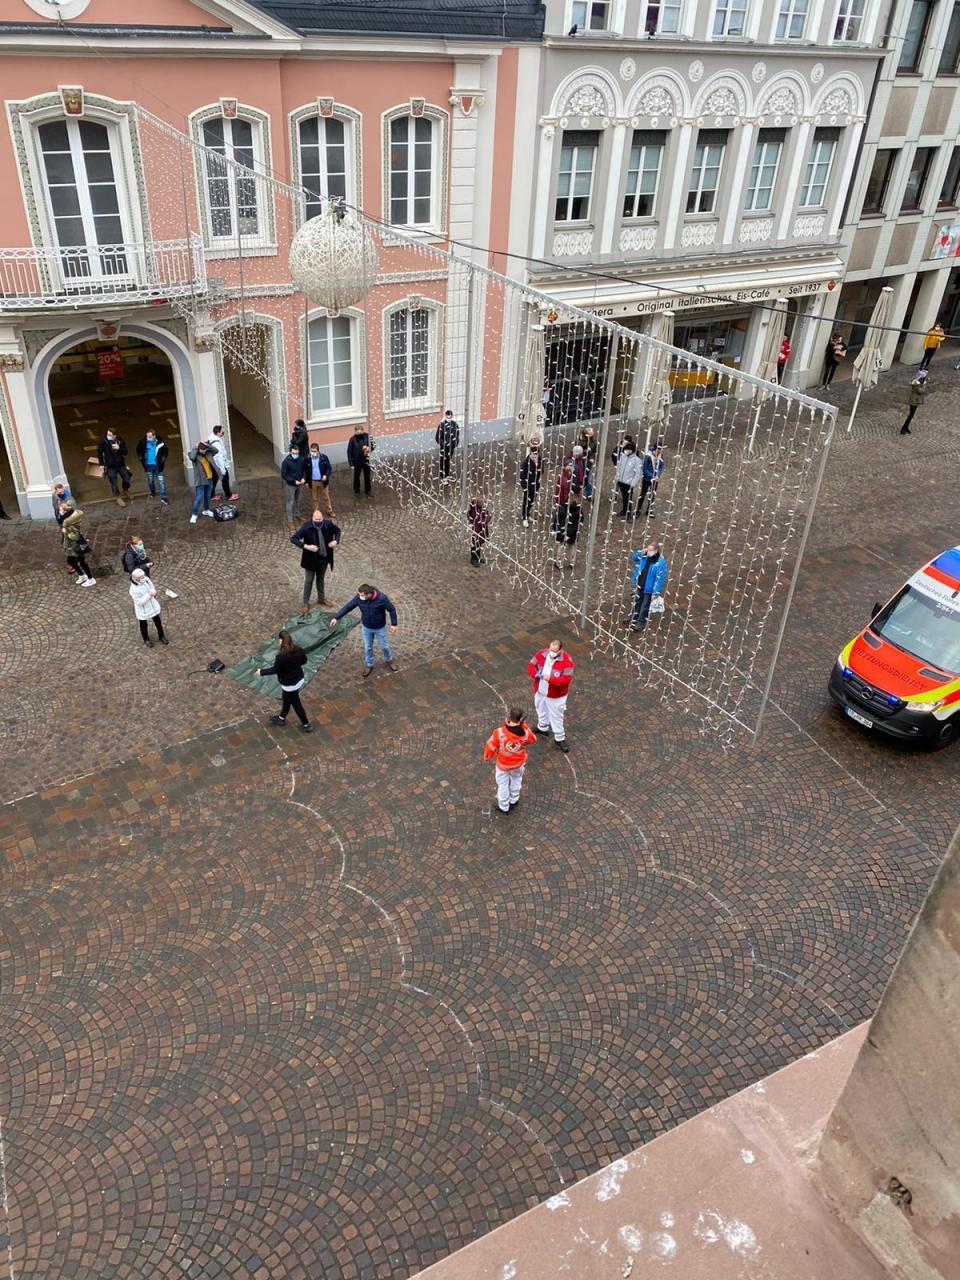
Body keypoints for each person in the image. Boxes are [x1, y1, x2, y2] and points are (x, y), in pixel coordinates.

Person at [329, 583, 398, 676]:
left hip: (379, 627)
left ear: (368, 594)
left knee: (384, 646)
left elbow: (392, 609)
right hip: (366, 627)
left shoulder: (381, 598)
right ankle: (369, 665)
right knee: (368, 647)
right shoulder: (359, 597)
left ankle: (389, 660)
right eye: (359, 594)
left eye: (362, 595)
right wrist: (336, 618)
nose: (359, 597)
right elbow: (348, 607)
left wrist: (394, 624)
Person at [483, 706, 537, 814]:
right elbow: (533, 739)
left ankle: (503, 806)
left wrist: (487, 756)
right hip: (519, 763)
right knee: (516, 779)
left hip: (503, 764)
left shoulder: (499, 732)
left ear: (509, 717)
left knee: (502, 784)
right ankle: (514, 799)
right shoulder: (525, 733)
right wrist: (524, 726)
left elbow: (491, 745)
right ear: (521, 720)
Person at [256, 630, 313, 732]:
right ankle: (281, 718)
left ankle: (306, 724)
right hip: (298, 679)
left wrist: (261, 672)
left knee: (296, 704)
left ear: (281, 641)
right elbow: (304, 661)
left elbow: (275, 670)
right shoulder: (298, 650)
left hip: (289, 684)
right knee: (286, 698)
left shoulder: (281, 657)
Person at [527, 638, 574, 753]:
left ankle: (560, 738)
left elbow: (566, 680)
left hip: (556, 696)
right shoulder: (542, 654)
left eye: (554, 651)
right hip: (540, 692)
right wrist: (535, 674)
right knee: (540, 709)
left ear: (560, 650)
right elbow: (531, 665)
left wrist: (551, 679)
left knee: (556, 717)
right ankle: (542, 727)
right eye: (550, 649)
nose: (551, 652)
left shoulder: (567, 661)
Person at [290, 509, 340, 611]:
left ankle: (321, 599)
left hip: (324, 557)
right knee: (309, 580)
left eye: (320, 519)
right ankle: (305, 602)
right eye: (316, 519)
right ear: (312, 518)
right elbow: (294, 538)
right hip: (310, 559)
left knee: (320, 579)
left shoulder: (328, 524)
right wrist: (306, 546)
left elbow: (337, 531)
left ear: (323, 518)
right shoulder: (306, 527)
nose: (318, 521)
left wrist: (336, 541)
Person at [627, 540, 668, 630]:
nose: (648, 551)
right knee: (637, 601)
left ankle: (641, 622)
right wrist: (641, 552)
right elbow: (634, 558)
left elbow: (661, 578)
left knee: (645, 605)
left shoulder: (660, 563)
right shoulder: (644, 556)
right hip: (640, 584)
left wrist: (656, 592)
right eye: (648, 549)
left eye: (650, 550)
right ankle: (634, 617)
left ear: (656, 551)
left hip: (649, 588)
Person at [550, 462, 582, 570]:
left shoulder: (562, 510)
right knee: (572, 546)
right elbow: (581, 518)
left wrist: (556, 528)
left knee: (561, 546)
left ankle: (559, 563)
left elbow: (558, 519)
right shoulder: (578, 510)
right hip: (573, 532)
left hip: (563, 531)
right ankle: (572, 562)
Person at [59, 502, 96, 586]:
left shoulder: (68, 522)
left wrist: (66, 531)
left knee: (82, 562)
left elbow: (75, 536)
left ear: (65, 511)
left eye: (61, 510)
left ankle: (90, 579)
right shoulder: (68, 518)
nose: (59, 511)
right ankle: (82, 575)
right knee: (70, 560)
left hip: (76, 545)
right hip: (71, 546)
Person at [129, 567, 168, 647]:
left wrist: (153, 591)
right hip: (143, 610)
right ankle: (146, 639)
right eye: (141, 577)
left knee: (158, 622)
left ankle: (161, 636)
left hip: (153, 605)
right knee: (143, 625)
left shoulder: (145, 579)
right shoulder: (133, 589)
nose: (143, 578)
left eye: (143, 576)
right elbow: (139, 602)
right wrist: (149, 595)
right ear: (136, 578)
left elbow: (151, 585)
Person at [97, 429, 132, 506]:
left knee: (127, 478)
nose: (108, 436)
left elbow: (125, 452)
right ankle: (118, 497)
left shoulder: (120, 440)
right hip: (110, 466)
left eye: (110, 435)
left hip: (121, 464)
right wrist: (101, 465)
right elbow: (99, 453)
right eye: (107, 434)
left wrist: (119, 448)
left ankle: (125, 489)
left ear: (115, 435)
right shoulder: (104, 442)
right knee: (113, 481)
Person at [136, 430, 169, 505]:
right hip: (149, 466)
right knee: (151, 480)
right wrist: (140, 457)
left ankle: (163, 497)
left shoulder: (160, 443)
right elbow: (138, 449)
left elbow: (166, 451)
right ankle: (152, 492)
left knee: (162, 482)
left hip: (158, 466)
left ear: (154, 436)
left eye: (150, 437)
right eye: (147, 436)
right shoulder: (143, 442)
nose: (148, 438)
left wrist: (163, 459)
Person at [207, 424, 239, 502]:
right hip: (218, 465)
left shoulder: (211, 438)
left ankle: (211, 495)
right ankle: (229, 495)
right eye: (222, 432)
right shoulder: (216, 443)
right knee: (225, 478)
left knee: (214, 479)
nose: (222, 434)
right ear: (217, 433)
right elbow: (219, 457)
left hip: (213, 464)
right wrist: (222, 469)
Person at [188, 440, 216, 524]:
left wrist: (207, 445)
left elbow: (216, 450)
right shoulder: (194, 455)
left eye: (205, 449)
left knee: (207, 495)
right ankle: (194, 514)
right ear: (199, 449)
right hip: (200, 480)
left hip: (209, 478)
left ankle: (206, 510)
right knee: (198, 497)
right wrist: (196, 447)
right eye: (202, 450)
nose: (204, 451)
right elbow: (191, 457)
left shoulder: (207, 453)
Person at [305, 442, 335, 518]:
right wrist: (306, 481)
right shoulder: (308, 459)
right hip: (313, 481)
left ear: (318, 451)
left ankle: (330, 511)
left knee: (326, 497)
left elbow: (329, 468)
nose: (313, 453)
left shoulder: (324, 457)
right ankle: (316, 512)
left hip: (322, 481)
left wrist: (325, 475)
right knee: (314, 498)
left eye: (315, 451)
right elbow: (305, 471)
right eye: (312, 451)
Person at [614, 438, 642, 519]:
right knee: (624, 498)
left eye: (628, 450)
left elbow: (637, 474)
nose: (626, 451)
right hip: (621, 481)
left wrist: (632, 484)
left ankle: (628, 513)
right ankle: (624, 510)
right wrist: (617, 477)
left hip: (628, 483)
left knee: (628, 498)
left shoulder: (637, 460)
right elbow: (619, 467)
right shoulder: (623, 457)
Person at [281, 444, 307, 528]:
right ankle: (290, 521)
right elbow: (284, 475)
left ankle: (297, 514)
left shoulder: (301, 459)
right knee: (290, 502)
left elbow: (304, 470)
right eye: (294, 453)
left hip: (300, 484)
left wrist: (303, 478)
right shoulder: (286, 462)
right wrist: (293, 481)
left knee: (298, 500)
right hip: (290, 485)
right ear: (290, 452)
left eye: (297, 453)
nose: (295, 455)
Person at [519, 437, 543, 528]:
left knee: (532, 501)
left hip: (536, 484)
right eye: (533, 455)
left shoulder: (539, 459)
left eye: (536, 455)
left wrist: (537, 465)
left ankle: (528, 514)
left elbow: (542, 471)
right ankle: (524, 517)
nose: (534, 457)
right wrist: (524, 486)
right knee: (526, 501)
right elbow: (522, 475)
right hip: (528, 485)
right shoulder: (526, 462)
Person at [638, 442, 665, 518]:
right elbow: (644, 468)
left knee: (652, 495)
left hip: (655, 480)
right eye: (659, 449)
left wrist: (658, 475)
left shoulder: (660, 456)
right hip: (647, 479)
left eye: (661, 449)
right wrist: (652, 476)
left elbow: (661, 466)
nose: (660, 451)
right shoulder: (648, 456)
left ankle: (649, 510)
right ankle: (638, 510)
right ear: (655, 448)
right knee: (642, 494)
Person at [347, 424, 373, 497]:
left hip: (366, 460)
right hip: (357, 461)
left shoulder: (367, 436)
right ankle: (357, 491)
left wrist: (368, 448)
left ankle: (368, 490)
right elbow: (349, 452)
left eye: (360, 432)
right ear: (355, 432)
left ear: (363, 430)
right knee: (356, 476)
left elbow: (373, 445)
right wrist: (351, 464)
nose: (359, 433)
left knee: (367, 476)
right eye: (357, 432)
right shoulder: (352, 439)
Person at [899, 370, 928, 435]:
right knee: (910, 415)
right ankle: (903, 428)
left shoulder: (916, 382)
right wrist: (924, 385)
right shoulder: (917, 384)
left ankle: (906, 427)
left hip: (915, 400)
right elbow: (921, 391)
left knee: (911, 415)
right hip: (914, 401)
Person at [435, 409, 460, 482]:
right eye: (447, 417)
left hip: (451, 448)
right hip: (444, 448)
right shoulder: (442, 425)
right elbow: (438, 438)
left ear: (452, 416)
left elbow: (457, 435)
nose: (449, 418)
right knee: (443, 461)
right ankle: (443, 477)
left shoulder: (455, 424)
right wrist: (444, 445)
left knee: (448, 461)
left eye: (450, 417)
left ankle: (447, 475)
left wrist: (454, 444)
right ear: (445, 416)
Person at [468, 495, 491, 566]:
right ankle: (473, 559)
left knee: (479, 545)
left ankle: (478, 557)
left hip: (481, 531)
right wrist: (489, 517)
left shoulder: (480, 509)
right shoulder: (476, 511)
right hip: (477, 531)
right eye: (483, 503)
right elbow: (481, 520)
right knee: (475, 545)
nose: (484, 504)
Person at [578, 427, 597, 497]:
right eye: (590, 430)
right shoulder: (580, 441)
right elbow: (577, 451)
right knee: (581, 477)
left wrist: (592, 458)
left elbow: (594, 451)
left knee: (589, 478)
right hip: (581, 462)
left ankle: (589, 494)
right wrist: (586, 451)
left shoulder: (593, 441)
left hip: (589, 463)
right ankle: (579, 491)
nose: (592, 431)